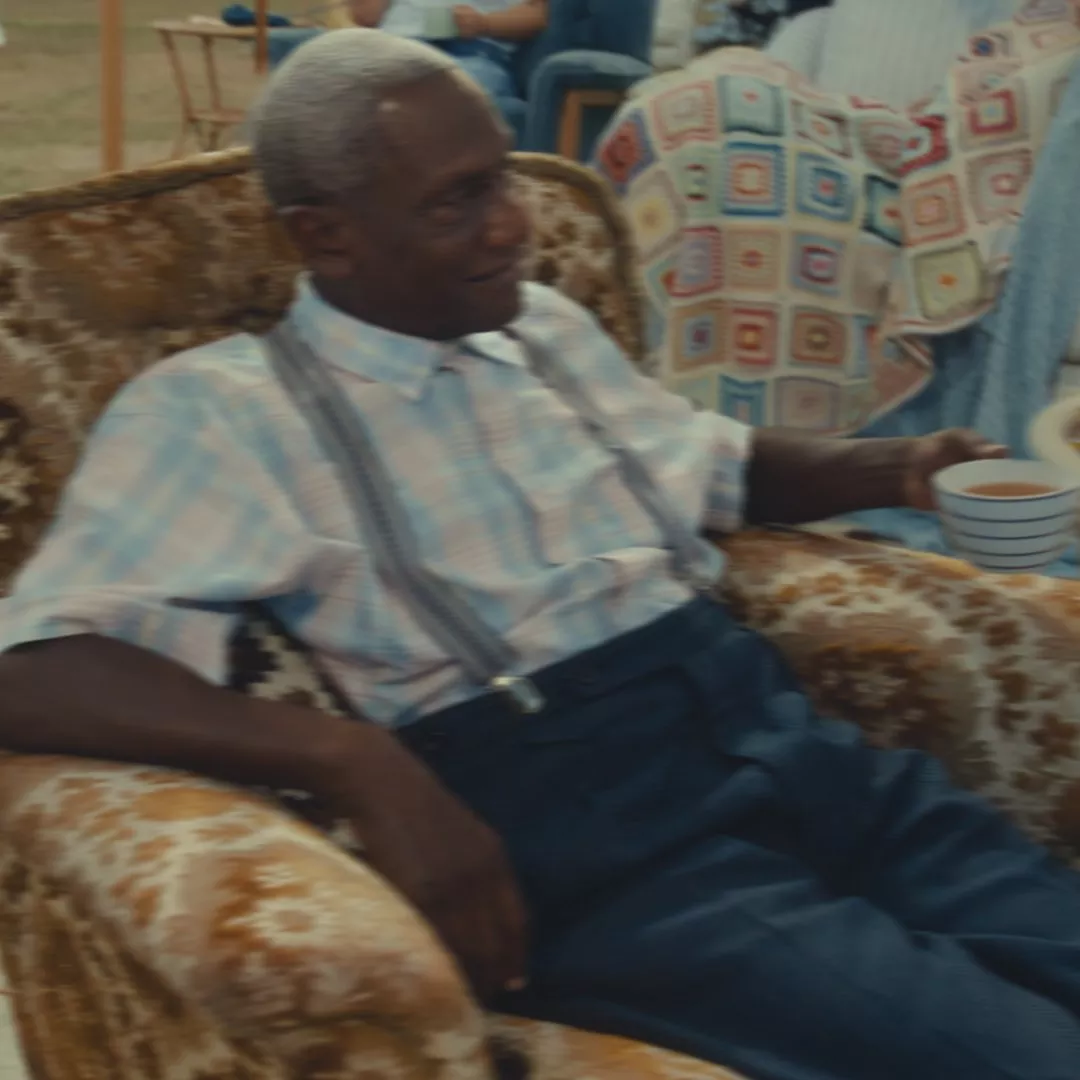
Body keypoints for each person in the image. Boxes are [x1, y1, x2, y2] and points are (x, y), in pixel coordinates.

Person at [2, 28, 1080, 1080]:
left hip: (784, 736)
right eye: (456, 201)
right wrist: (352, 758)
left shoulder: (541, 328)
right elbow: (35, 670)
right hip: (614, 841)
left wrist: (897, 469)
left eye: (500, 182)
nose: (512, 227)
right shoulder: (222, 412)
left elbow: (709, 462)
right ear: (326, 235)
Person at [344, 0, 547, 102]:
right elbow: (365, 16)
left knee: (449, 95)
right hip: (395, 44)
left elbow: (540, 14)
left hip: (474, 50)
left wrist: (485, 24)